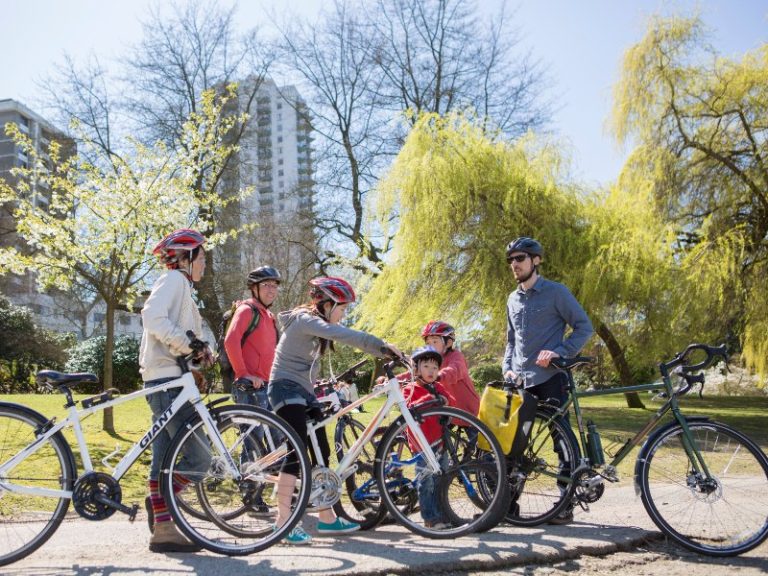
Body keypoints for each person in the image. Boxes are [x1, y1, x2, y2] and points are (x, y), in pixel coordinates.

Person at [268, 276, 402, 545]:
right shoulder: (307, 320)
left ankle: (327, 518)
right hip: (284, 388)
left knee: (322, 452)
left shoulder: (316, 325)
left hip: (303, 391)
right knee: (296, 453)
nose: (344, 313)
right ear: (326, 303)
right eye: (342, 307)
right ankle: (282, 524)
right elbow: (346, 335)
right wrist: (381, 346)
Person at [502, 236, 593, 524]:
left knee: (561, 441)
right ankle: (508, 506)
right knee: (514, 445)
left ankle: (565, 504)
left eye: (520, 258)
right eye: (511, 260)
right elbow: (511, 340)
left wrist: (560, 352)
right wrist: (506, 367)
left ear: (536, 260)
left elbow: (584, 327)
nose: (514, 264)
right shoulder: (512, 298)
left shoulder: (557, 293)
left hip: (551, 378)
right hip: (520, 381)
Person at [140, 228, 214, 553]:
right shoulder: (173, 281)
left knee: (164, 461)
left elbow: (182, 334)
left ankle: (164, 528)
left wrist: (198, 354)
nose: (205, 264)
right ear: (187, 257)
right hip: (166, 383)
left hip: (167, 380)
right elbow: (151, 316)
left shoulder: (181, 287)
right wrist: (188, 345)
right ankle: (162, 501)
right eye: (202, 257)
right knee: (199, 458)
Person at [224, 265, 281, 514]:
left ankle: (264, 491)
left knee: (273, 442)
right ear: (255, 288)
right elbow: (230, 340)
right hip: (249, 387)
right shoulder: (247, 310)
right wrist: (242, 373)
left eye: (275, 286)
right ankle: (250, 496)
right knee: (252, 443)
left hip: (265, 386)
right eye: (267, 285)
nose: (272, 290)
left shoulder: (268, 315)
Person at [401, 346, 453, 529]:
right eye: (426, 366)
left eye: (434, 368)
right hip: (422, 443)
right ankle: (430, 518)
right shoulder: (410, 389)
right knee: (427, 481)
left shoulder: (438, 387)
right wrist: (429, 400)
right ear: (416, 369)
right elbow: (409, 407)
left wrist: (444, 399)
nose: (431, 371)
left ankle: (442, 514)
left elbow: (449, 400)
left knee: (442, 479)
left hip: (441, 442)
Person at [421, 321, 480, 417]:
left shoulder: (456, 356)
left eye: (435, 342)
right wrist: (395, 379)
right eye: (428, 343)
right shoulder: (431, 361)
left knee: (476, 431)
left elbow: (454, 370)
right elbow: (416, 371)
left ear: (448, 343)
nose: (430, 346)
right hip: (449, 411)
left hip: (468, 411)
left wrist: (438, 375)